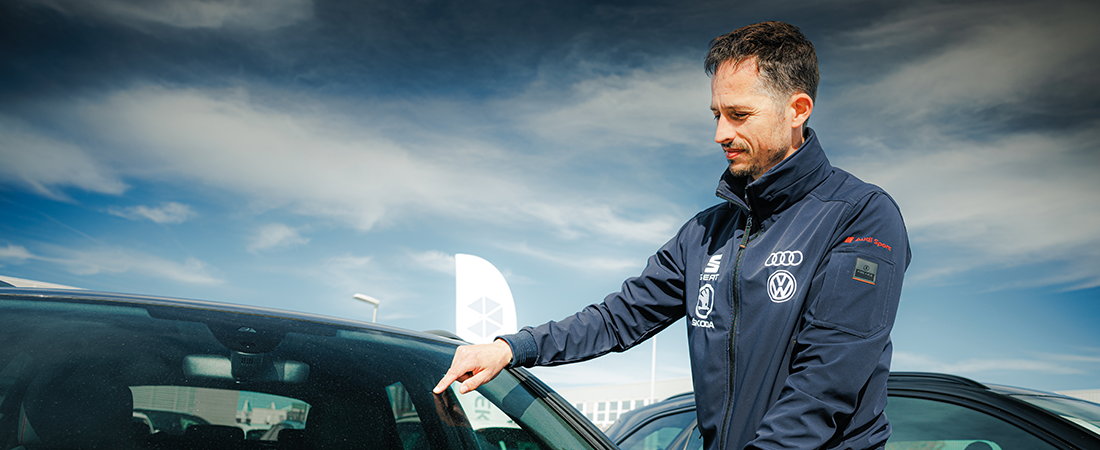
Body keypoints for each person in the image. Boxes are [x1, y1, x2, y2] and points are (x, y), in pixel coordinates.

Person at [434, 21, 910, 450]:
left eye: (739, 114)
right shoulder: (704, 233)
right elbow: (617, 318)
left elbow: (824, 384)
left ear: (797, 110)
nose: (720, 133)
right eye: (716, 114)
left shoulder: (862, 216)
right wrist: (512, 347)